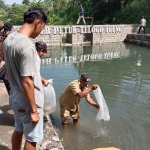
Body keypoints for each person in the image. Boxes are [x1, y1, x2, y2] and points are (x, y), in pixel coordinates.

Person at [3, 7, 47, 150]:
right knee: (32, 138)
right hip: (28, 102)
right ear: (37, 22)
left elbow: (8, 70)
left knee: (18, 129)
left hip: (15, 97)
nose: (41, 31)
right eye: (42, 27)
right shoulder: (27, 45)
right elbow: (27, 80)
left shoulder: (9, 39)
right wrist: (34, 111)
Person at [0, 22, 13, 95]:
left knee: (7, 79)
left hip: (4, 61)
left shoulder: (7, 36)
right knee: (6, 79)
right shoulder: (8, 37)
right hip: (3, 62)